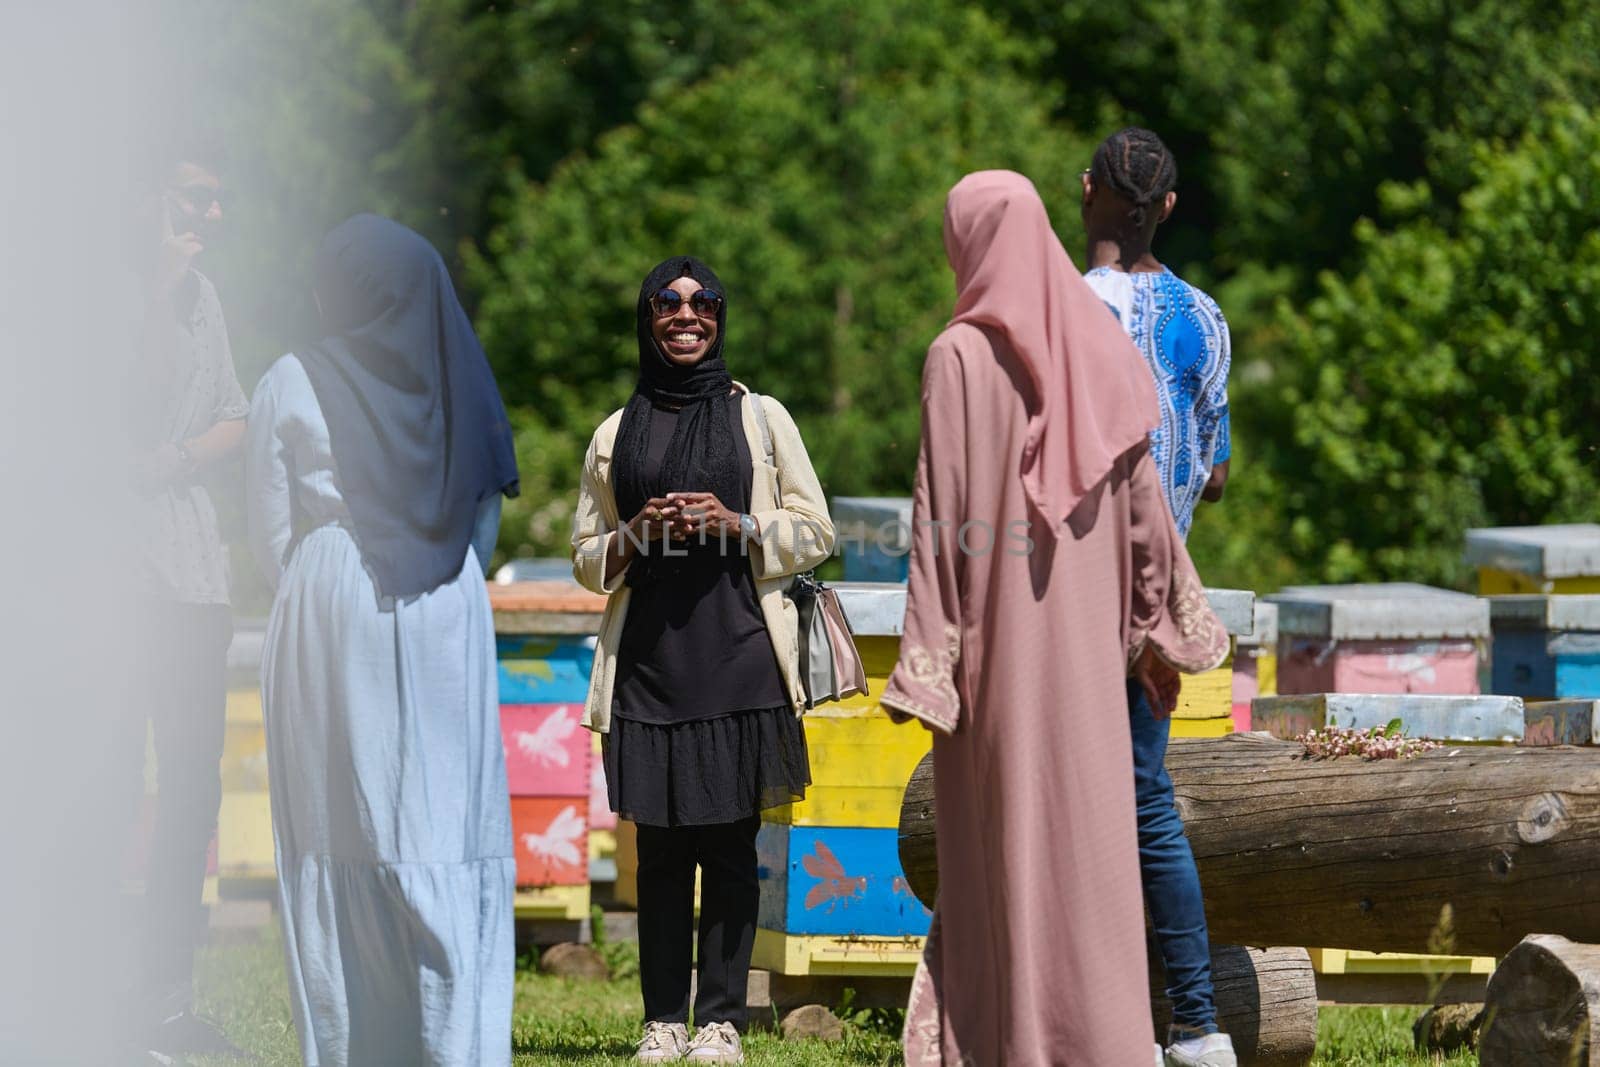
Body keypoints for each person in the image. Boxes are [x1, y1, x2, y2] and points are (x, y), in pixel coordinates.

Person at [882, 171, 1229, 1066]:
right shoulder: (1101, 349)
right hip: (1086, 657)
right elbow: (1147, 512)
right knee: (1092, 849)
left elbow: (940, 517)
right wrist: (1154, 633)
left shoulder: (956, 357)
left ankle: (1007, 1038)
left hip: (996, 661)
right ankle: (1108, 1040)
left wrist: (928, 657)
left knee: (1001, 847)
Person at [246, 214, 520, 1066]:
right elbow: (484, 525)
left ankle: (355, 1042)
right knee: (444, 825)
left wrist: (328, 580)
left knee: (340, 828)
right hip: (447, 608)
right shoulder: (460, 380)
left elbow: (270, 534)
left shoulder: (290, 378)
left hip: (328, 608)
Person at [571, 256, 834, 1064]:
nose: (687, 316)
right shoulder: (617, 429)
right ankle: (663, 1021)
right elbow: (585, 553)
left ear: (721, 316)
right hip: (649, 662)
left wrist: (740, 525)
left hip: (743, 652)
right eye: (669, 303)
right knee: (658, 851)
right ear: (647, 318)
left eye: (704, 303)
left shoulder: (762, 418)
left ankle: (720, 1018)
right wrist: (632, 535)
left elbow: (817, 529)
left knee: (727, 844)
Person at [1080, 127, 1236, 1067]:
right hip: (1160, 599)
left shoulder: (1056, 307)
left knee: (1069, 802)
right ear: (1168, 207)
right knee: (1146, 801)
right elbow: (1216, 476)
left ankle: (1088, 1013)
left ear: (1087, 189)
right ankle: (1197, 1021)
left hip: (1067, 598)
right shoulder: (1206, 318)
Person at [122, 142, 250, 1059]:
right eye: (193, 201)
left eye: (216, 205)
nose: (210, 219)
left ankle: (167, 1002)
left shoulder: (206, 297)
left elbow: (235, 415)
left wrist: (170, 461)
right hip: (106, 577)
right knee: (103, 781)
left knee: (191, 788)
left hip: (195, 571)